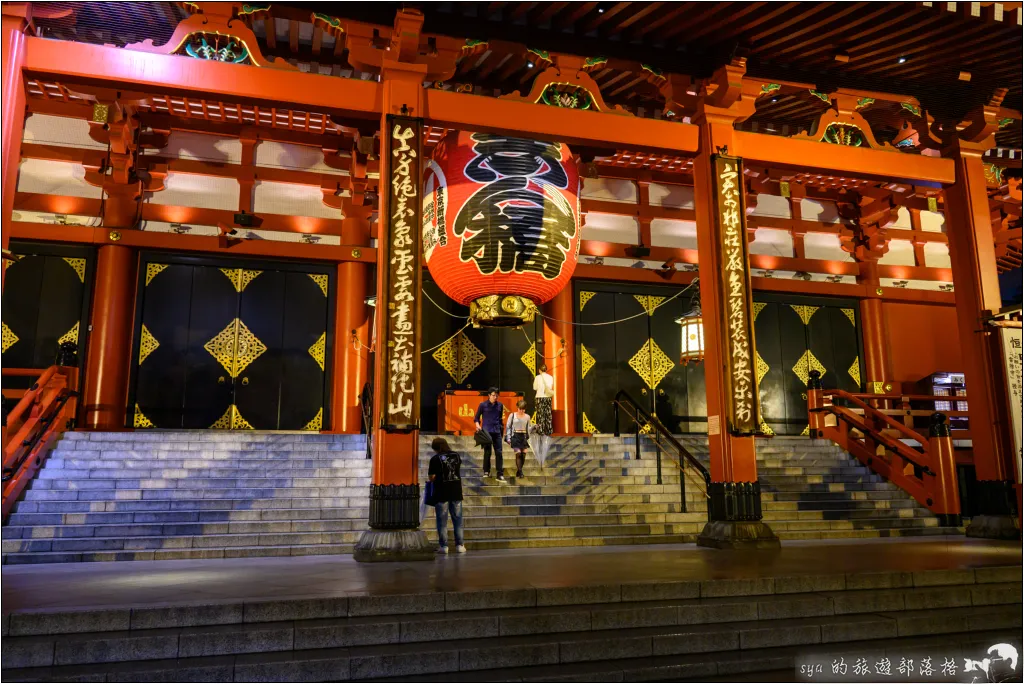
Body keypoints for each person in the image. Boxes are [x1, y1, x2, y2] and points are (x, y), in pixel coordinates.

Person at [427, 437, 466, 554]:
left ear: (436, 448)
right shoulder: (456, 455)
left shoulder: (435, 459)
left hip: (441, 492)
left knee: (442, 521)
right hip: (456, 491)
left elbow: (432, 477)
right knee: (458, 520)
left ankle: (444, 546)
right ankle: (460, 545)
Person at [474, 387, 506, 482]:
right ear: (489, 395)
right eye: (493, 395)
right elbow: (476, 418)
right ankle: (486, 471)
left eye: (497, 395)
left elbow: (500, 418)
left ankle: (499, 473)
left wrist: (501, 429)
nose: (495, 397)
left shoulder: (500, 405)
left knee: (499, 453)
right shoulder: (483, 405)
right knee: (487, 452)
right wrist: (477, 425)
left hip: (497, 432)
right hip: (486, 432)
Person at [505, 399, 532, 479]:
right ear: (517, 407)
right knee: (518, 453)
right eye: (520, 409)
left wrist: (534, 428)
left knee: (523, 454)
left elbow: (529, 428)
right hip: (515, 435)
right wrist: (508, 438)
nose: (521, 411)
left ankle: (519, 471)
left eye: (523, 409)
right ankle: (520, 472)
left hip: (523, 436)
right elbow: (508, 426)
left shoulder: (527, 416)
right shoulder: (512, 415)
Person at [532, 364, 554, 436]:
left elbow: (535, 388)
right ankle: (549, 430)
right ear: (546, 370)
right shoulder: (551, 377)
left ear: (539, 370)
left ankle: (541, 430)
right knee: (548, 414)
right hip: (548, 397)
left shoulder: (537, 377)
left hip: (540, 397)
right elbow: (550, 386)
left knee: (540, 414)